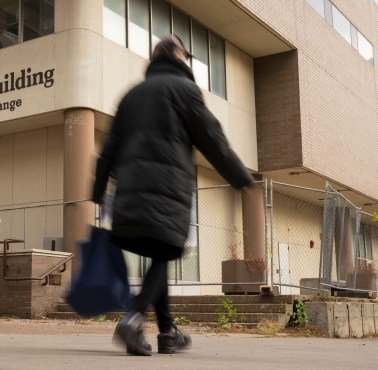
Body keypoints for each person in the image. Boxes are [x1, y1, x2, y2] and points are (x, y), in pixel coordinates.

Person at [92, 35, 254, 356]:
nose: (188, 61)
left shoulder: (131, 95)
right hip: (167, 191)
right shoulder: (185, 91)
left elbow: (109, 148)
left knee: (159, 255)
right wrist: (241, 178)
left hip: (131, 193)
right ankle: (134, 318)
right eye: (186, 56)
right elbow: (212, 139)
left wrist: (97, 190)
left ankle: (167, 331)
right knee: (164, 252)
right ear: (177, 56)